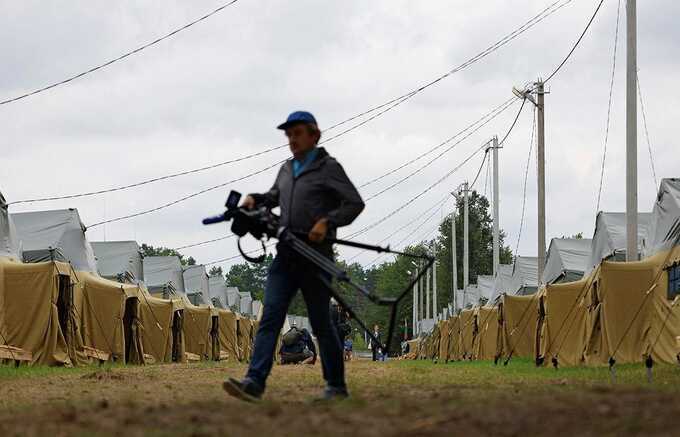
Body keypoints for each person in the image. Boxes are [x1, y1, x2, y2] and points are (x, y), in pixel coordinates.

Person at [223, 111, 365, 402]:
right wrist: (256, 198)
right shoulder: (287, 169)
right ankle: (254, 382)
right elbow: (274, 195)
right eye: (288, 135)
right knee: (271, 316)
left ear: (315, 135)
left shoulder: (329, 168)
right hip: (285, 255)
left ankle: (336, 387)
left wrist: (328, 221)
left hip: (316, 256)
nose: (292, 140)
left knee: (322, 323)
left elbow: (354, 203)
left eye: (297, 134)